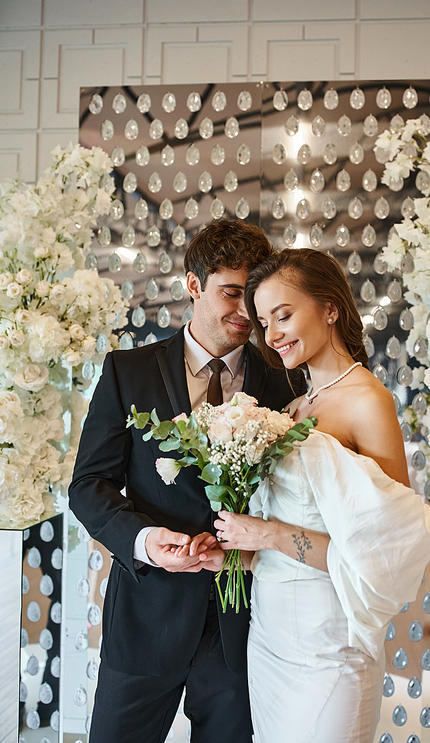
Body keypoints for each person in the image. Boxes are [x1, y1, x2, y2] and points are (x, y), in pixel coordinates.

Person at [68, 219, 305, 743]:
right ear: (193, 285)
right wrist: (145, 541)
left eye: (255, 297)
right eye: (231, 294)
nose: (246, 313)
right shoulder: (126, 371)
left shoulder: (288, 382)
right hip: (146, 616)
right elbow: (88, 485)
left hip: (244, 624)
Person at [214, 248, 430, 743]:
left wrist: (269, 535)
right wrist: (239, 553)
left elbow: (386, 552)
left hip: (329, 644)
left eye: (284, 315)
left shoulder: (368, 402)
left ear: (330, 307)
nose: (272, 335)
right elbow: (287, 528)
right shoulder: (292, 407)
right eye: (264, 322)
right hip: (269, 635)